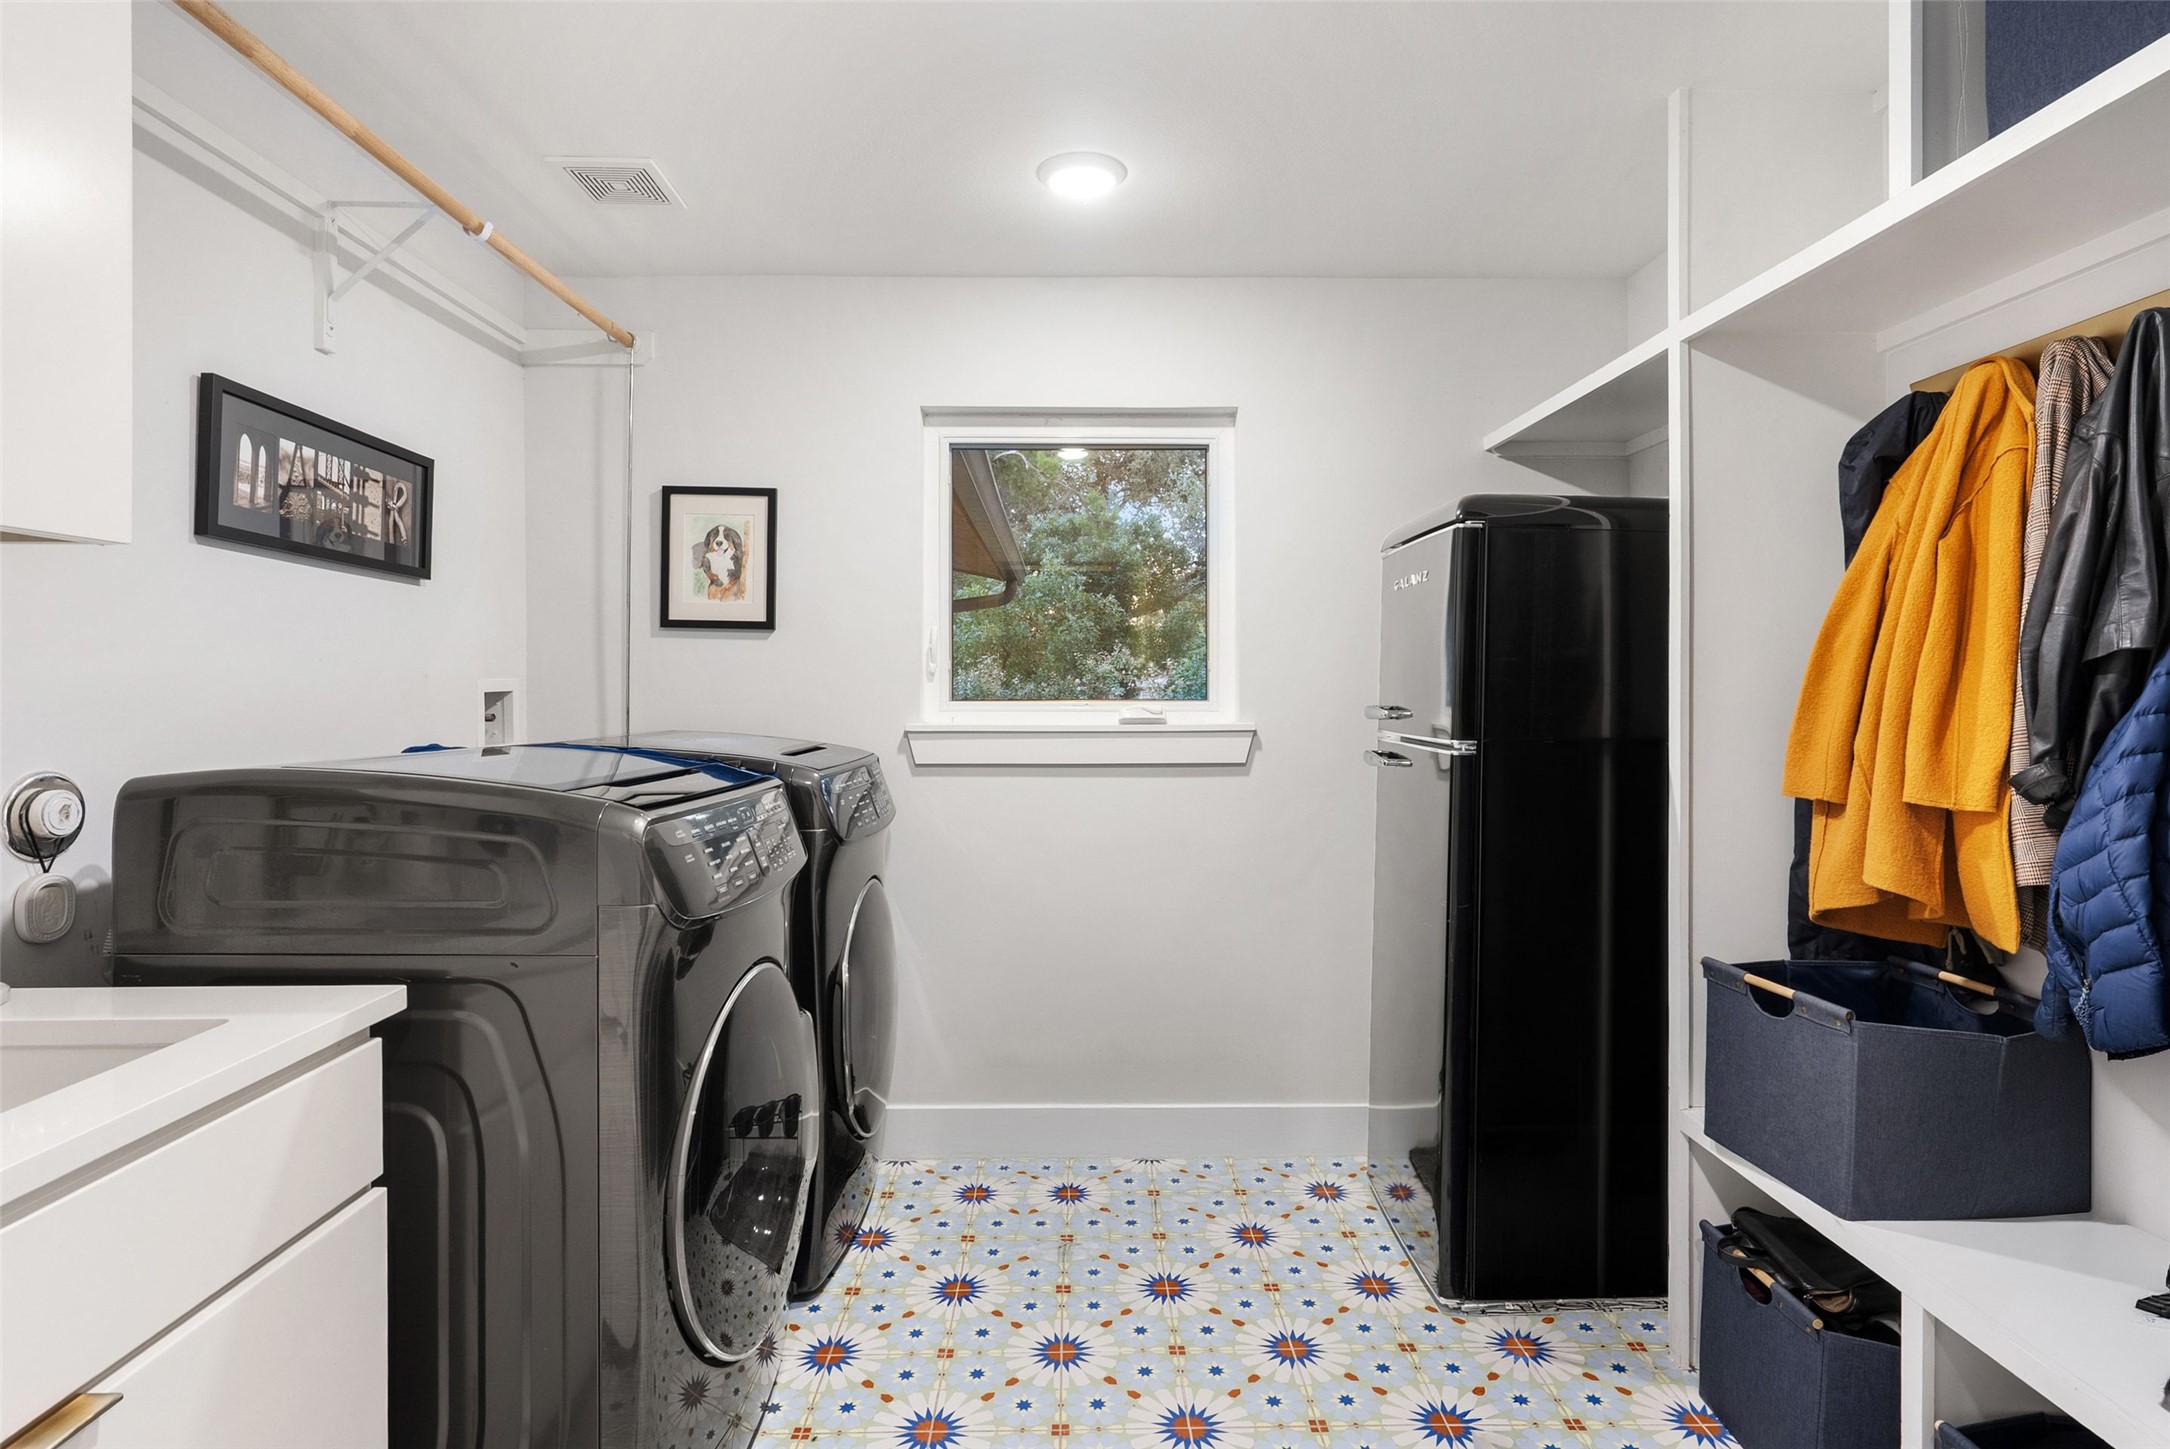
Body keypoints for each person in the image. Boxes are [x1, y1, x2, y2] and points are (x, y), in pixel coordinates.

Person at [695, 523, 745, 600]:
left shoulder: (737, 563)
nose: (719, 541)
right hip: (715, 585)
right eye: (716, 535)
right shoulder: (708, 562)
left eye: (726, 536)